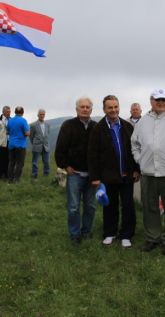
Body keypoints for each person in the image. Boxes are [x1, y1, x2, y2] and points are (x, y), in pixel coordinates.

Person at [131, 88, 165, 256]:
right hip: (148, 173)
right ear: (151, 101)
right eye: (157, 99)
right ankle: (152, 238)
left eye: (163, 99)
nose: (160, 102)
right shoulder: (142, 122)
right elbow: (134, 144)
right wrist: (140, 160)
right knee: (149, 207)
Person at [88, 95, 139, 248]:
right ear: (104, 109)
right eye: (110, 107)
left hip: (127, 175)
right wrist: (95, 177)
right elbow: (92, 154)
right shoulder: (98, 129)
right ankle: (110, 233)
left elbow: (136, 149)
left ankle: (126, 235)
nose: (113, 110)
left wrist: (136, 169)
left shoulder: (127, 126)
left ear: (119, 107)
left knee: (128, 205)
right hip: (108, 176)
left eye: (115, 107)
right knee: (110, 206)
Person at [55, 96, 97, 245]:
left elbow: (101, 151)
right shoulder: (68, 125)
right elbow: (60, 148)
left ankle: (86, 231)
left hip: (92, 175)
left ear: (91, 109)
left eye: (87, 107)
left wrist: (97, 171)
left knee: (90, 206)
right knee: (73, 207)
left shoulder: (96, 127)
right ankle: (74, 234)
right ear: (77, 109)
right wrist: (66, 166)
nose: (85, 109)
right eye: (82, 107)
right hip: (75, 174)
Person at [6, 106, 29, 184]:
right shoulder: (23, 121)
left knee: (11, 162)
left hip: (11, 144)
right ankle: (16, 179)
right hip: (20, 145)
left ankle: (9, 179)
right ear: (23, 113)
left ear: (14, 112)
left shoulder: (10, 121)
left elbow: (7, 132)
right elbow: (27, 133)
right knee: (20, 163)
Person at [29, 109, 51, 178]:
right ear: (38, 115)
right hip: (37, 146)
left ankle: (46, 174)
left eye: (43, 114)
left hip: (46, 146)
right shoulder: (33, 125)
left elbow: (48, 134)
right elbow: (31, 136)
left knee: (47, 162)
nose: (41, 116)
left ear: (44, 115)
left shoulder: (47, 124)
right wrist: (34, 143)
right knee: (35, 162)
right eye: (40, 114)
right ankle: (34, 175)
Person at [0, 106, 11, 181]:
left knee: (8, 160)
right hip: (2, 143)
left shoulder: (11, 120)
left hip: (10, 142)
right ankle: (0, 175)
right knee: (1, 160)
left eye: (9, 111)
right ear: (3, 112)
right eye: (7, 112)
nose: (9, 113)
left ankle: (7, 175)